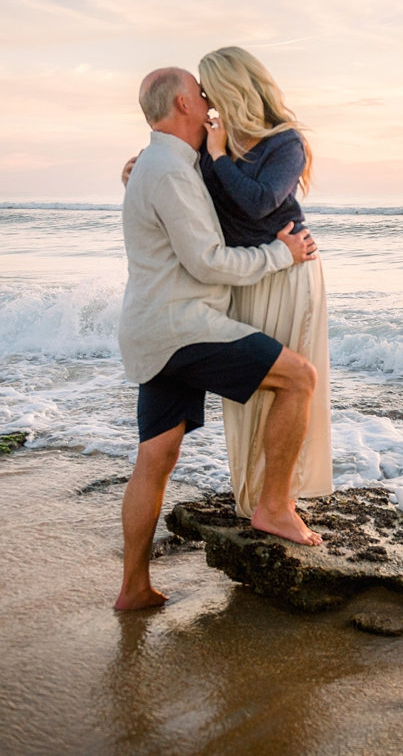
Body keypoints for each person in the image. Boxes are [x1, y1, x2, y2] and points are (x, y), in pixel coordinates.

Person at [115, 66, 321, 612]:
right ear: (183, 102)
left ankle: (134, 587)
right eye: (201, 94)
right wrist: (284, 254)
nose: (210, 102)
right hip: (185, 328)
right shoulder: (169, 171)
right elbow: (207, 263)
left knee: (156, 456)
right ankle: (274, 507)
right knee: (300, 378)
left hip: (152, 331)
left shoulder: (167, 164)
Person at [197, 46, 333, 519]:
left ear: (233, 87)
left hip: (290, 272)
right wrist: (136, 170)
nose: (204, 99)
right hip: (245, 273)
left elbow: (259, 202)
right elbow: (184, 187)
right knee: (254, 385)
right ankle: (254, 498)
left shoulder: (285, 143)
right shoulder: (210, 139)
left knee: (289, 381)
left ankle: (280, 497)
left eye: (209, 88)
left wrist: (217, 159)